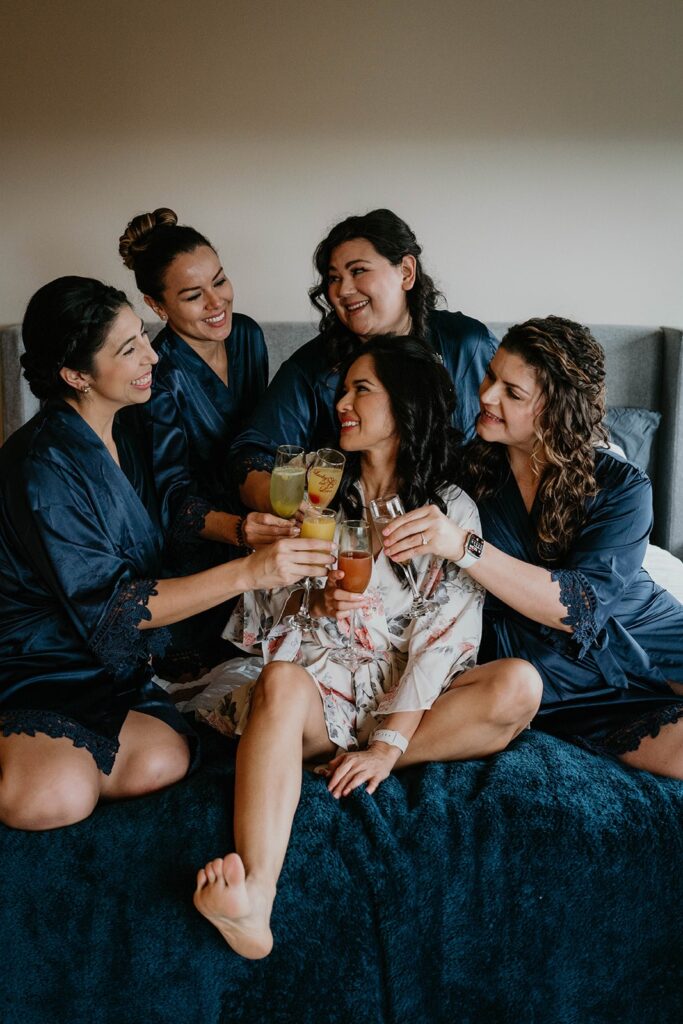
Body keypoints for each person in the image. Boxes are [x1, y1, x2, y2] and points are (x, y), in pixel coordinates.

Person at [193, 337, 542, 958]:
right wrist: (315, 601)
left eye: (361, 389)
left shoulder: (448, 508)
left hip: (403, 701)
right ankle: (257, 900)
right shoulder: (316, 490)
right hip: (313, 687)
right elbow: (264, 609)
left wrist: (387, 745)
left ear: (404, 405)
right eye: (342, 388)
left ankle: (372, 760)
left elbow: (447, 634)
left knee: (518, 684)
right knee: (278, 680)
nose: (341, 402)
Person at [0, 277, 335, 832]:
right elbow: (115, 608)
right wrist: (250, 571)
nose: (153, 356)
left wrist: (246, 530)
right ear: (76, 375)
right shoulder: (42, 467)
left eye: (143, 337)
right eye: (129, 349)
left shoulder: (129, 426)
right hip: (40, 659)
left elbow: (175, 513)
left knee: (165, 759)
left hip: (115, 667)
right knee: (54, 799)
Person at [381, 316, 683, 777]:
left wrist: (466, 546)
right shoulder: (466, 475)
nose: (485, 396)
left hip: (647, 631)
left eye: (512, 393)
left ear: (557, 411)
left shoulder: (622, 487)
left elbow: (579, 606)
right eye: (490, 376)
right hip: (552, 668)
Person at [120, 208, 296, 675]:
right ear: (157, 306)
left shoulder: (250, 337)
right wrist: (242, 530)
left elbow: (263, 436)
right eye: (194, 295)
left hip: (264, 525)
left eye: (220, 281)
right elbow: (172, 500)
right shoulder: (158, 380)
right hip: (199, 552)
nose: (217, 303)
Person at [230, 208, 498, 513]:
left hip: (466, 527)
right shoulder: (311, 368)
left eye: (358, 271)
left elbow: (512, 436)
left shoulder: (467, 345)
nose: (342, 291)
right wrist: (288, 505)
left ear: (406, 272)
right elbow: (251, 452)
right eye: (334, 278)